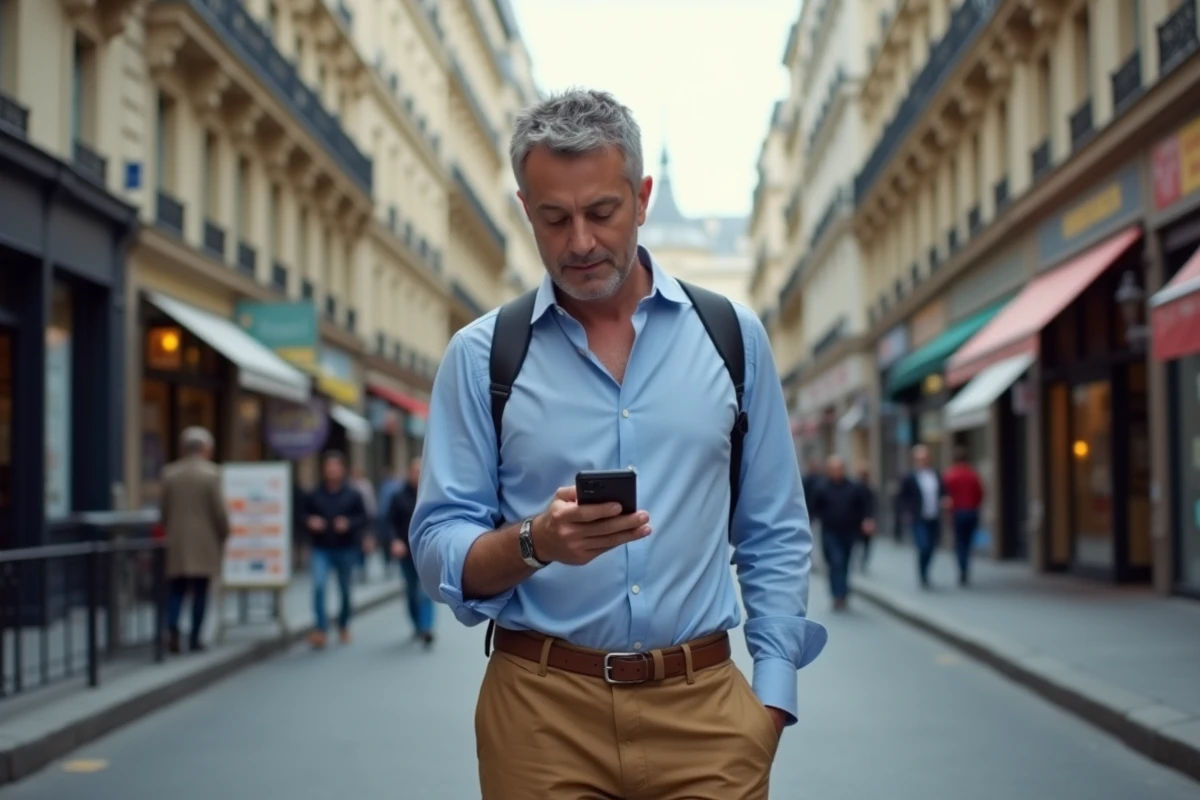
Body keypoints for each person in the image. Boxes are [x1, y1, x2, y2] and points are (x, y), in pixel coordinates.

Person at [409, 88, 826, 800]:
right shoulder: (482, 356)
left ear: (642, 197)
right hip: (539, 718)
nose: (579, 242)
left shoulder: (732, 338)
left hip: (705, 715)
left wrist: (773, 699)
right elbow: (438, 546)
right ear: (524, 211)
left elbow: (774, 529)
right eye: (554, 218)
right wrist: (537, 541)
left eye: (601, 212)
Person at [160, 427, 230, 654]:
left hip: (178, 541)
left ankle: (172, 629)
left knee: (177, 589)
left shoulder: (170, 473)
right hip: (204, 541)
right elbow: (219, 511)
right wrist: (225, 532)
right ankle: (195, 637)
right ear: (205, 449)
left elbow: (164, 512)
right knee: (200, 590)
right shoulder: (212, 474)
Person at [301, 451, 367, 648]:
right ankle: (321, 628)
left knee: (345, 590)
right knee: (319, 586)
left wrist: (348, 523)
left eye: (335, 467)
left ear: (342, 469)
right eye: (328, 468)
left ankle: (343, 624)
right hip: (321, 547)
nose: (331, 471)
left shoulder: (353, 494)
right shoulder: (314, 493)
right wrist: (310, 521)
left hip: (345, 548)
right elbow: (302, 516)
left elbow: (363, 518)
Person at [808, 455, 873, 610]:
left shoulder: (853, 487)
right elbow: (813, 508)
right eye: (833, 469)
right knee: (835, 562)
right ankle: (837, 593)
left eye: (839, 469)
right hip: (830, 532)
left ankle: (843, 592)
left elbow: (864, 506)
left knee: (845, 562)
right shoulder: (821, 487)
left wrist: (867, 520)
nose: (837, 472)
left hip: (849, 531)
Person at [389, 457, 435, 647]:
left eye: (420, 471)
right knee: (411, 591)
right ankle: (417, 625)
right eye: (415, 471)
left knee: (425, 592)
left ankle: (426, 628)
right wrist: (394, 541)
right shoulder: (398, 497)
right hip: (406, 553)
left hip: (425, 552)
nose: (418, 475)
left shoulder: (431, 496)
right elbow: (389, 522)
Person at [898, 444, 949, 588]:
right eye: (920, 458)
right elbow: (902, 498)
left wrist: (945, 500)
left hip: (933, 517)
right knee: (923, 546)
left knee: (932, 547)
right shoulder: (909, 477)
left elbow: (944, 492)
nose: (923, 461)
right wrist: (906, 513)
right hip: (918, 518)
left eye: (925, 458)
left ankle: (926, 571)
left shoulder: (936, 475)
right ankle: (922, 573)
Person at [942, 445, 984, 586]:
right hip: (971, 512)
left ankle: (962, 568)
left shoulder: (951, 475)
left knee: (960, 543)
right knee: (968, 543)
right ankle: (965, 567)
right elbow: (980, 493)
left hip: (958, 513)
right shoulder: (973, 474)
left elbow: (945, 495)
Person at [853, 463, 877, 573]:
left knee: (866, 543)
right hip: (858, 519)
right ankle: (860, 561)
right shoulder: (856, 487)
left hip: (867, 519)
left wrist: (871, 518)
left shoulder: (870, 487)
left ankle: (862, 561)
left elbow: (873, 504)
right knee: (859, 542)